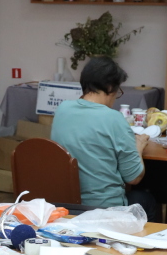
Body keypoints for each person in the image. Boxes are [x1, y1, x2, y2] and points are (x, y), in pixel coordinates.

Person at [49, 57, 158, 217]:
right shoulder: (114, 118)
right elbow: (134, 178)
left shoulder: (62, 109)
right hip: (104, 210)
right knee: (146, 198)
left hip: (65, 205)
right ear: (109, 87)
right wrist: (138, 147)